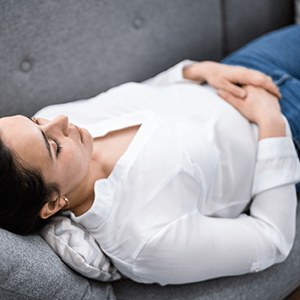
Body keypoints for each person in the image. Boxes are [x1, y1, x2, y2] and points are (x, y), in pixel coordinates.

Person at [0, 25, 300, 285]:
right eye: (53, 146)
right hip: (287, 130)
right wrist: (271, 122)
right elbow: (271, 239)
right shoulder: (143, 240)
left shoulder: (52, 118)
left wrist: (197, 71)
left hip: (240, 71)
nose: (61, 121)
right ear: (53, 203)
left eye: (34, 121)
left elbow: (145, 95)